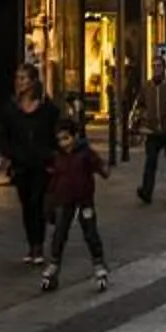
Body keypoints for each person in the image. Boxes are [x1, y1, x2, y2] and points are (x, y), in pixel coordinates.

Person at [0, 60, 60, 266]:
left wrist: (54, 156)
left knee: (38, 203)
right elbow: (3, 134)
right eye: (17, 78)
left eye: (23, 78)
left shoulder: (46, 109)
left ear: (32, 82)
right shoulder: (11, 109)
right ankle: (32, 244)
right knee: (26, 205)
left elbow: (56, 132)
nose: (18, 82)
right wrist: (7, 154)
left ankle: (38, 245)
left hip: (42, 163)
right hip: (21, 163)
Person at [40, 114, 110, 293]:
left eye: (66, 138)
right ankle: (54, 264)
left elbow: (98, 164)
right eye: (60, 140)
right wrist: (50, 200)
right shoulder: (58, 157)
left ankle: (98, 263)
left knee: (90, 232)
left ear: (74, 136)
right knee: (60, 233)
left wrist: (102, 169)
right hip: (64, 200)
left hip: (84, 199)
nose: (64, 143)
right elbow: (54, 179)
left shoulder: (84, 153)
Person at [133, 58, 166, 203]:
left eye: (159, 66)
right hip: (153, 131)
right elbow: (140, 104)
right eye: (154, 66)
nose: (156, 69)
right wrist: (140, 118)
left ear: (164, 68)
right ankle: (146, 191)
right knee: (150, 161)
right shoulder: (147, 86)